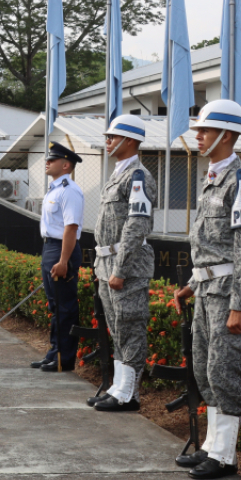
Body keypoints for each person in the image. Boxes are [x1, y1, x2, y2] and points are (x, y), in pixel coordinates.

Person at [172, 99, 241, 480]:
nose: (198, 136)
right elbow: (210, 248)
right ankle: (211, 445)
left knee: (224, 371)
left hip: (229, 293)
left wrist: (239, 305)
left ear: (226, 135)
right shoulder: (213, 178)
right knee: (205, 369)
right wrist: (191, 285)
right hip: (207, 289)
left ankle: (225, 455)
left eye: (205, 131)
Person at [90, 116, 157, 411]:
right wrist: (101, 267)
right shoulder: (118, 174)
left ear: (129, 140)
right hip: (108, 263)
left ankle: (128, 394)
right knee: (117, 329)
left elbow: (135, 226)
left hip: (126, 265)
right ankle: (118, 388)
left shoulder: (138, 176)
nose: (107, 141)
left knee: (129, 328)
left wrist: (120, 269)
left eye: (112, 136)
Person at [32, 141, 83, 373]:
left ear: (65, 165)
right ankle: (54, 353)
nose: (47, 162)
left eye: (52, 160)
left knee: (65, 307)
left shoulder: (69, 190)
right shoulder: (55, 189)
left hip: (63, 248)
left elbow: (71, 227)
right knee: (55, 305)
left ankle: (64, 359)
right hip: (50, 247)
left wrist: (64, 261)